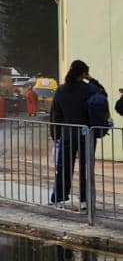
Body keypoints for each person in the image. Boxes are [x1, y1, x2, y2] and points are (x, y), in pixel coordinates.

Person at [49, 59, 92, 207]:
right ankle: (84, 200)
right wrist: (92, 80)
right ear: (83, 74)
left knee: (64, 168)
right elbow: (100, 99)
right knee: (85, 168)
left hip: (67, 133)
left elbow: (55, 113)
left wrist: (55, 134)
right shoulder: (89, 89)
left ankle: (58, 198)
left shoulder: (61, 89)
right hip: (86, 133)